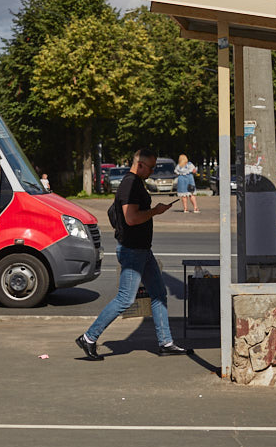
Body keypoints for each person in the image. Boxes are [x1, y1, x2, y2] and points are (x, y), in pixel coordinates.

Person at [75, 148, 195, 361]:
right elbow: (131, 218)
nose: (152, 171)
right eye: (151, 167)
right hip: (132, 250)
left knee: (159, 294)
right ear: (140, 165)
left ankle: (166, 343)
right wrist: (155, 211)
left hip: (142, 250)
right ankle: (89, 337)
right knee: (125, 299)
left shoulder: (136, 182)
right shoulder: (130, 184)